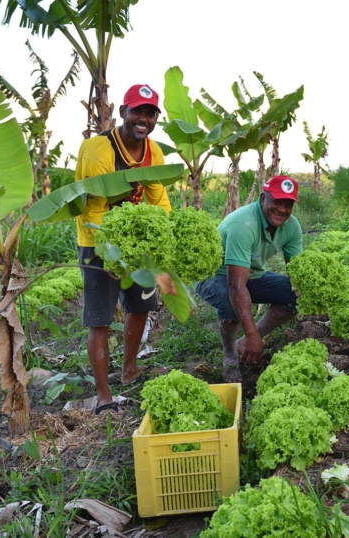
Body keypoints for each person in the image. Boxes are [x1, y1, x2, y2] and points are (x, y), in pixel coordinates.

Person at [75, 83, 170, 415]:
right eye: (137, 111)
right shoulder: (98, 150)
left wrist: (163, 239)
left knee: (140, 305)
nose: (143, 119)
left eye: (150, 113)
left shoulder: (153, 151)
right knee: (100, 319)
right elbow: (94, 210)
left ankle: (129, 369)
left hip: (137, 241)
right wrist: (110, 253)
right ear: (123, 112)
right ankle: (103, 396)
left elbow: (159, 199)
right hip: (97, 241)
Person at [195, 176, 303, 383]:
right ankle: (230, 355)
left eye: (288, 204)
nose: (282, 209)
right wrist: (253, 333)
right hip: (214, 275)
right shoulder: (243, 224)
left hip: (251, 274)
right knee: (230, 302)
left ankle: (244, 342)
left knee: (295, 295)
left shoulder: (291, 226)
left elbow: (296, 273)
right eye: (277, 202)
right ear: (263, 198)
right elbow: (236, 286)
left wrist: (314, 292)